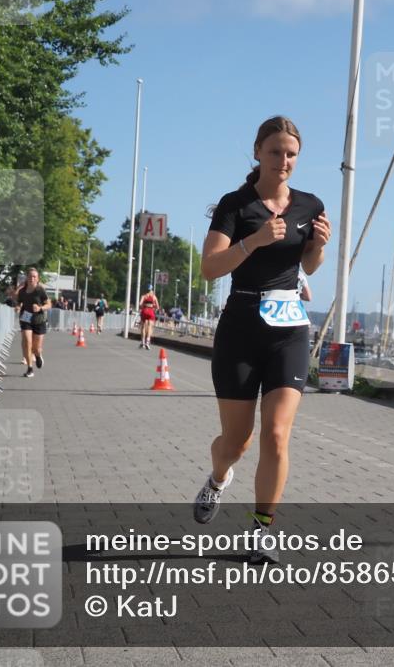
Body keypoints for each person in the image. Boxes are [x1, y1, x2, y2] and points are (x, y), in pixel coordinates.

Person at [193, 116, 330, 564]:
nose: (284, 160)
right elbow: (210, 268)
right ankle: (217, 479)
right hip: (241, 326)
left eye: (291, 154)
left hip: (288, 327)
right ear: (257, 153)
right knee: (237, 442)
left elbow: (309, 267)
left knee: (276, 434)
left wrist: (319, 247)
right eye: (275, 152)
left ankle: (260, 531)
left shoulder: (310, 205)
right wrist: (252, 242)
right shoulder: (235, 205)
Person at [12, 268, 51, 378]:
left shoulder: (40, 290)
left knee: (36, 348)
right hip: (26, 318)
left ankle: (38, 355)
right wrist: (18, 307)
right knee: (27, 342)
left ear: (37, 279)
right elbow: (19, 302)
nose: (32, 278)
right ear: (27, 278)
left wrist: (40, 308)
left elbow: (49, 305)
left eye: (34, 277)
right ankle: (30, 368)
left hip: (39, 319)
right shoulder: (22, 291)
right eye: (30, 276)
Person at [138, 284, 159, 349]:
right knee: (150, 327)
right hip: (151, 311)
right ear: (152, 289)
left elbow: (140, 304)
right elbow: (158, 307)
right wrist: (153, 308)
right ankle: (148, 341)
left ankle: (142, 342)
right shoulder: (154, 297)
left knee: (143, 327)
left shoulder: (144, 296)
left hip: (144, 311)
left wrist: (143, 306)